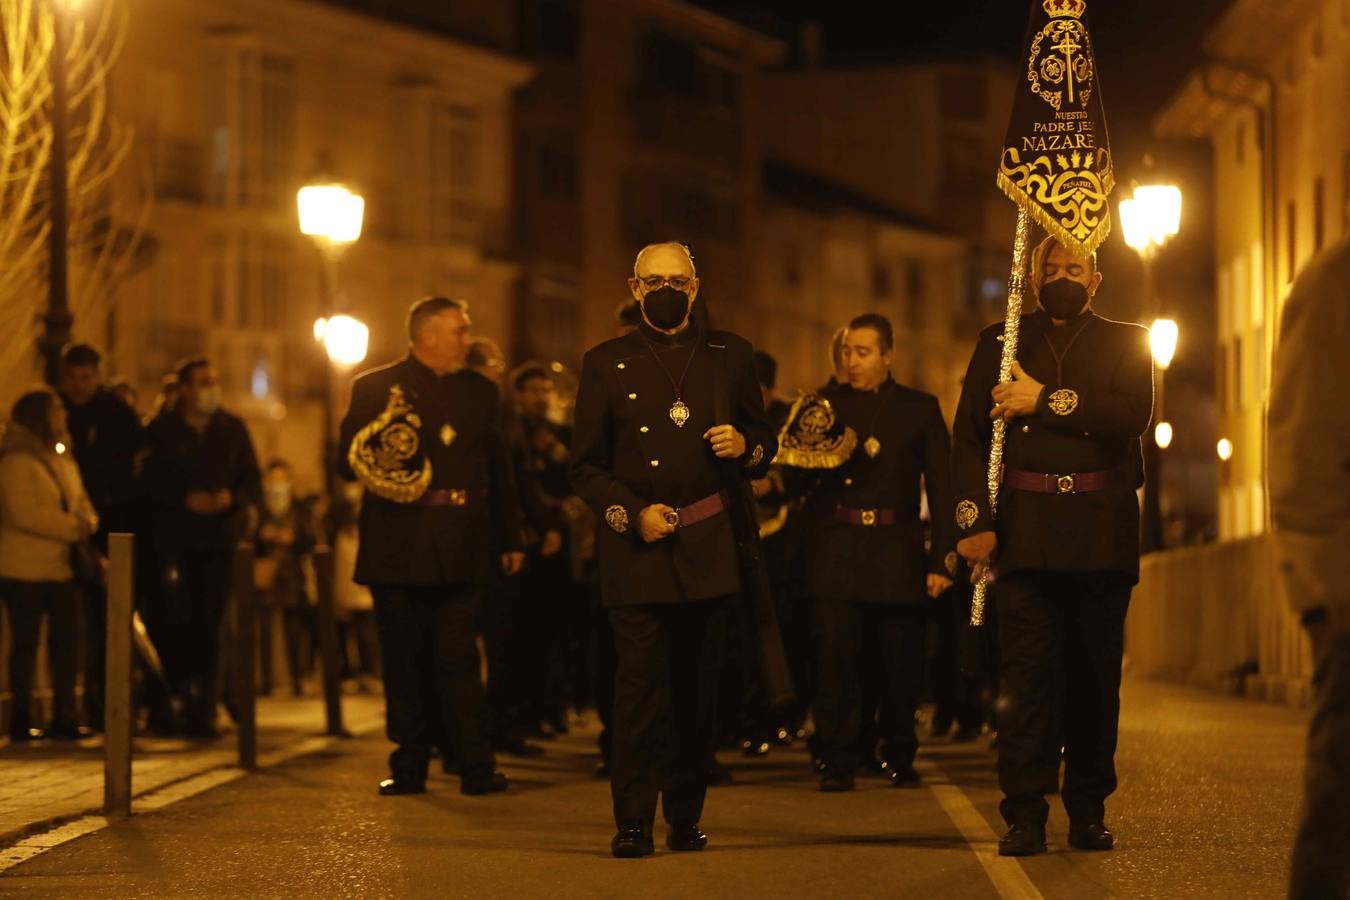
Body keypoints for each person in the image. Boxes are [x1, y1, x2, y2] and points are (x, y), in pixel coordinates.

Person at [570, 241, 777, 858]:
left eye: (677, 281)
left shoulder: (729, 354)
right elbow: (584, 468)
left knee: (696, 691)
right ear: (635, 289)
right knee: (638, 693)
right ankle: (632, 819)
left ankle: (685, 816)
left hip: (708, 545)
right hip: (637, 551)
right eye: (653, 280)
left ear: (694, 287)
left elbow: (764, 439)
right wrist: (631, 514)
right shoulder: (605, 362)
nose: (666, 290)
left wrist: (746, 443)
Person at [952, 235, 1153, 857]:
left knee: (1094, 681)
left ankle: (1089, 808)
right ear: (1032, 277)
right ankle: (1025, 811)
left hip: (1099, 533)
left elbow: (1131, 414)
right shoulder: (1001, 341)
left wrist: (1047, 400)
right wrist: (972, 522)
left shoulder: (1128, 339)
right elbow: (966, 440)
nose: (1062, 276)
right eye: (1051, 267)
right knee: (1027, 684)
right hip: (1026, 534)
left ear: (1095, 279)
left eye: (1075, 267)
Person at [339, 296, 522, 797]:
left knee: (459, 659)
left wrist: (510, 536)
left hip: (463, 539)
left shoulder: (480, 393)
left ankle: (474, 764)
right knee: (404, 660)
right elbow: (346, 459)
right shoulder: (375, 387)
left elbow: (500, 472)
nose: (468, 339)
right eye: (458, 330)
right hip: (398, 541)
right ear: (426, 336)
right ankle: (410, 764)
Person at [803, 313, 955, 792]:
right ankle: (838, 757)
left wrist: (941, 560)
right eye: (847, 351)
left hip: (896, 550)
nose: (852, 361)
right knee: (835, 661)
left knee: (899, 663)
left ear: (888, 356)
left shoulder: (919, 409)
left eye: (864, 352)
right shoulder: (824, 406)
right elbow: (798, 472)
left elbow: (944, 487)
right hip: (838, 549)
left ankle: (898, 751)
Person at [1267, 237, 1350, 900]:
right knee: (1340, 810)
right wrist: (1328, 596)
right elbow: (1303, 449)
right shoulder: (1338, 279)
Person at [142, 358, 262, 737]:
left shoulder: (231, 429)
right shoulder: (161, 431)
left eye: (214, 381)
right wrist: (183, 500)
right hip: (173, 543)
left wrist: (231, 500)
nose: (210, 389)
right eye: (202, 382)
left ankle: (203, 705)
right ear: (185, 389)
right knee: (173, 621)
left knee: (211, 624)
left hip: (218, 543)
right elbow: (147, 486)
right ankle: (171, 700)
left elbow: (250, 480)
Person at [0, 389, 99, 741]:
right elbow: (23, 513)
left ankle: (65, 715)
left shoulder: (62, 457)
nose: (63, 414)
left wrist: (89, 520)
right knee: (26, 644)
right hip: (23, 569)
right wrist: (73, 527)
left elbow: (81, 499)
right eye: (56, 408)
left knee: (67, 642)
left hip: (61, 569)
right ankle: (22, 717)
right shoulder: (15, 460)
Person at [59, 343, 146, 730]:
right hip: (68, 532)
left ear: (97, 375)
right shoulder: (57, 413)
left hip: (112, 531)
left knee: (106, 625)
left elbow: (133, 472)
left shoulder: (115, 414)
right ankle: (84, 705)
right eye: (73, 378)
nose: (79, 386)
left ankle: (108, 706)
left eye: (86, 378)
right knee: (74, 628)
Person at [253, 460, 317, 696]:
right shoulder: (259, 508)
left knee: (295, 630)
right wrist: (263, 536)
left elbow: (311, 538)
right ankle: (266, 681)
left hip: (292, 576)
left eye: (281, 479)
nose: (276, 485)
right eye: (272, 479)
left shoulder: (299, 509)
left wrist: (293, 539)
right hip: (265, 574)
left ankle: (297, 678)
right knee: (265, 629)